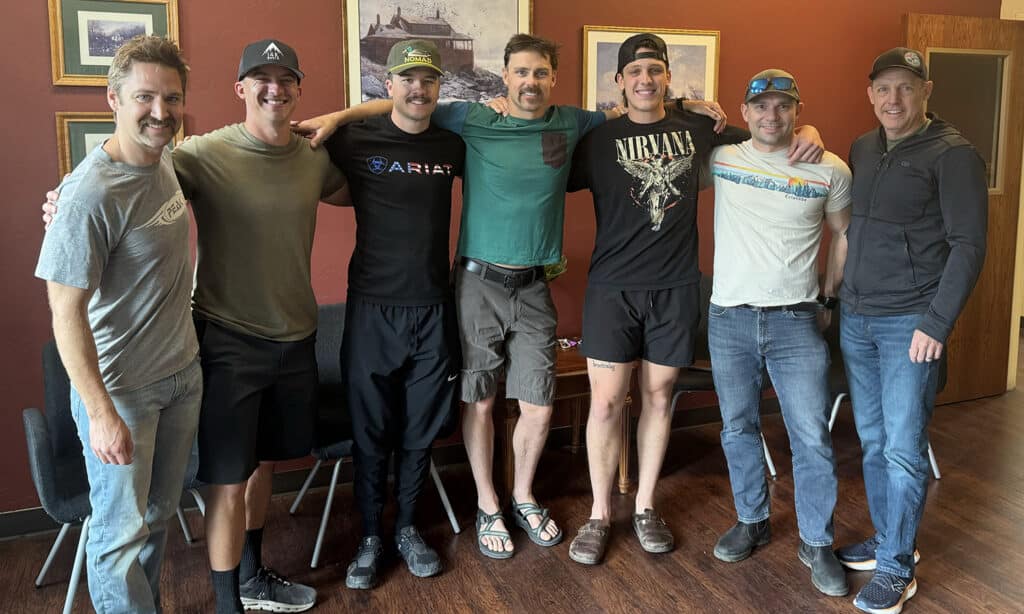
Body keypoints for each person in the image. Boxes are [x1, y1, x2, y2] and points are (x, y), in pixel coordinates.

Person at [294, 33, 731, 560]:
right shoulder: (473, 118)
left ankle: (522, 496)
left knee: (539, 406)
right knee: (478, 400)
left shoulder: (574, 123)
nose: (530, 82)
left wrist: (686, 104)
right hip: (477, 284)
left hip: (533, 287)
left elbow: (636, 105)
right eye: (520, 72)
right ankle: (487, 505)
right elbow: (404, 98)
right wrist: (339, 118)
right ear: (505, 76)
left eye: (540, 73)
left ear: (552, 78)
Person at [45, 38, 348, 613]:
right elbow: (103, 186)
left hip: (228, 358)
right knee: (148, 518)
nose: (274, 88)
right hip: (205, 351)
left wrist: (348, 122)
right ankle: (226, 600)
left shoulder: (305, 159)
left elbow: (362, 186)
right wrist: (62, 194)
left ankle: (252, 579)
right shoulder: (196, 156)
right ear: (240, 89)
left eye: (286, 78)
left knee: (201, 494)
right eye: (260, 77)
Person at [564, 33, 749, 565]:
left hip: (674, 287)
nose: (645, 79)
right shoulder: (597, 139)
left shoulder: (697, 130)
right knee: (604, 402)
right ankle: (599, 514)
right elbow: (542, 158)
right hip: (611, 290)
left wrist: (804, 129)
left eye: (655, 69)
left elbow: (764, 134)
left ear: (668, 77)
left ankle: (645, 506)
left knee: (661, 397)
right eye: (635, 71)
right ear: (619, 81)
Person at [35, 35, 201, 613]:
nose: (161, 112)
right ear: (113, 97)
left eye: (172, 98)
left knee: (157, 521)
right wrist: (101, 413)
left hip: (181, 375)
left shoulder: (165, 161)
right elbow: (64, 314)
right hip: (123, 393)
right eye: (145, 98)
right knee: (118, 536)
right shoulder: (87, 195)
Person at [836, 47, 987, 614]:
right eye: (883, 88)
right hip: (857, 317)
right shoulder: (863, 147)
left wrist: (936, 323)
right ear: (870, 92)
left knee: (902, 448)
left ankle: (898, 568)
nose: (893, 99)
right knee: (872, 441)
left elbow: (969, 247)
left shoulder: (953, 155)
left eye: (906, 87)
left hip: (910, 325)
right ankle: (891, 538)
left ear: (927, 90)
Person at [319, 39, 464, 590]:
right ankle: (370, 536)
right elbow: (283, 147)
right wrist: (337, 115)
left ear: (438, 88)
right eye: (407, 78)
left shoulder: (453, 144)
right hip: (372, 311)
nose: (417, 88)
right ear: (388, 85)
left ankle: (406, 527)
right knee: (371, 432)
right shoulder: (354, 139)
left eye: (427, 80)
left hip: (432, 307)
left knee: (419, 433)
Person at [705, 69, 851, 598]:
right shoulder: (721, 159)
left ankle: (816, 540)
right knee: (737, 426)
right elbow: (672, 124)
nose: (772, 116)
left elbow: (843, 234)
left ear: (797, 109)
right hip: (730, 318)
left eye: (783, 106)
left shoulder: (829, 168)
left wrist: (829, 297)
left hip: (796, 318)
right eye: (761, 106)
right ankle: (753, 518)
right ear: (744, 113)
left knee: (810, 436)